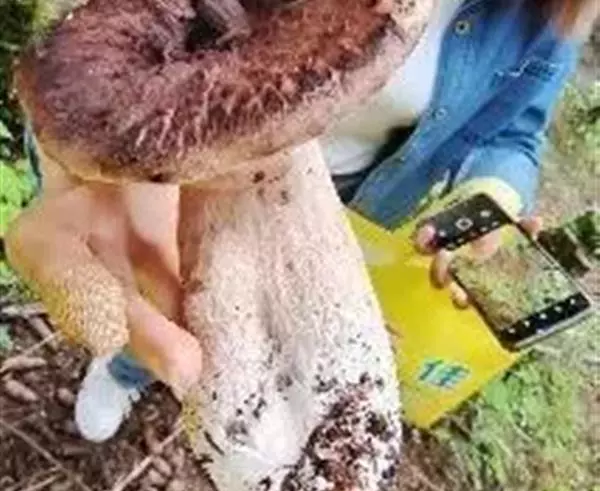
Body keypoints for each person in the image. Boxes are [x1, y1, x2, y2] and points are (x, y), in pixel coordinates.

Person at [14, 0, 598, 442]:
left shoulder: (546, 16)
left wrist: (495, 192)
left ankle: (307, 433)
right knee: (166, 298)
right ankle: (121, 376)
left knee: (260, 328)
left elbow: (515, 132)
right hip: (199, 171)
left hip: (347, 200)